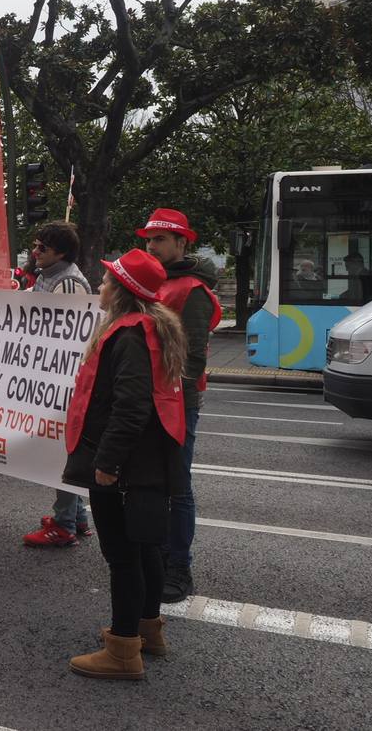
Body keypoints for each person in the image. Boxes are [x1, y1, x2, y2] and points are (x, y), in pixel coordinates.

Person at [63, 249, 187, 681]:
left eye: (107, 281)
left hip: (125, 465)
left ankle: (121, 651)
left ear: (121, 291)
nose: (100, 286)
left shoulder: (128, 336)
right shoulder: (149, 328)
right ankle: (146, 631)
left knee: (122, 556)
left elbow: (131, 408)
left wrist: (108, 464)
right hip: (148, 462)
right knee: (145, 547)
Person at [138, 208, 220, 603]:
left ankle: (179, 566)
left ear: (181, 243)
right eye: (149, 240)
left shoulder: (193, 291)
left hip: (175, 403)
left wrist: (170, 401)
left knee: (177, 486)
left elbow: (192, 362)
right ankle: (158, 554)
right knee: (150, 484)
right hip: (145, 398)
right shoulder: (152, 283)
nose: (152, 246)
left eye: (160, 240)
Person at [22, 221, 96, 548]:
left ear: (61, 253)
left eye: (42, 248)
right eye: (35, 246)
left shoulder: (67, 285)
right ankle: (77, 516)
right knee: (62, 450)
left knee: (62, 454)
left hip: (62, 382)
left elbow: (63, 340)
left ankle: (64, 524)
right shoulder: (49, 277)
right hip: (54, 377)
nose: (35, 252)